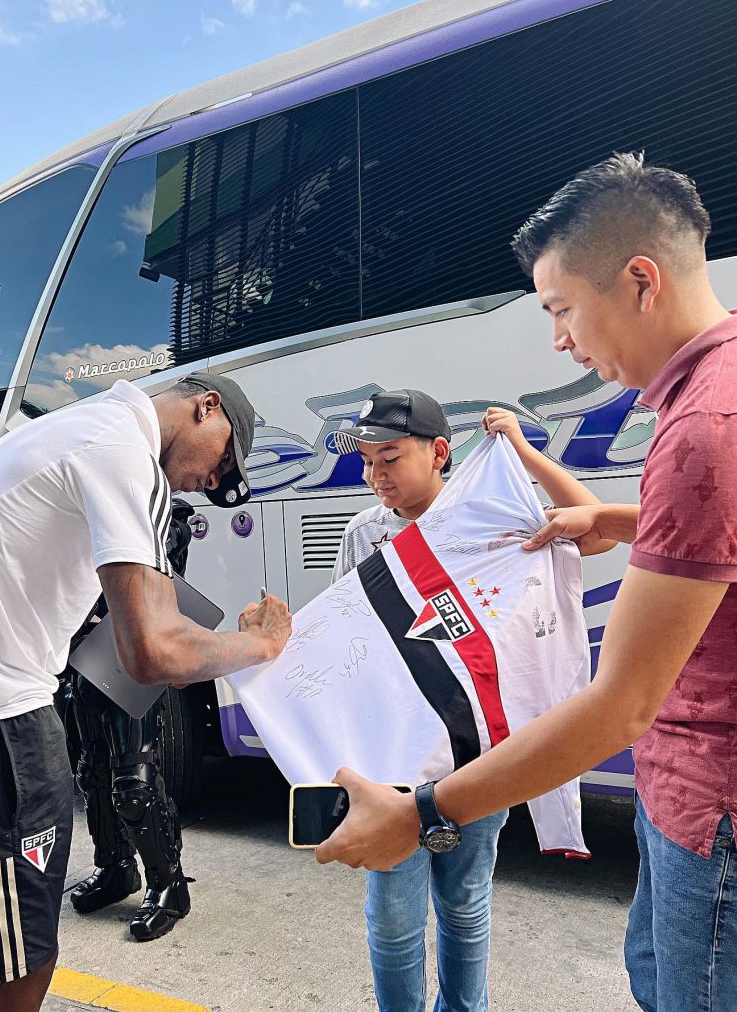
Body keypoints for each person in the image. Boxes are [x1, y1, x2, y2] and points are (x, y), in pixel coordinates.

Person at [316, 153, 737, 1011]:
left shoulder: (703, 426)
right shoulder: (716, 395)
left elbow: (620, 703)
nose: (559, 341)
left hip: (710, 809)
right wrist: (614, 519)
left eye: (560, 309)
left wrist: (423, 811)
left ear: (639, 280)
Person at [0, 373, 291, 1012]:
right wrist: (261, 645)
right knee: (23, 958)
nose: (209, 482)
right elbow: (153, 653)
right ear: (207, 408)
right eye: (223, 460)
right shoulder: (123, 448)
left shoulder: (69, 429)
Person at [331, 389, 613, 1012]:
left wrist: (520, 448)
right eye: (367, 462)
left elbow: (594, 525)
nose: (375, 476)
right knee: (394, 919)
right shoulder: (364, 533)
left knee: (465, 907)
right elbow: (347, 636)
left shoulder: (490, 519)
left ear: (438, 453)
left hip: (477, 751)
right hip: (393, 758)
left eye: (390, 459)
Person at [66, 502, 197, 942]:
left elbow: (159, 585)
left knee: (134, 783)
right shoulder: (75, 513)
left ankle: (168, 886)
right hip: (82, 661)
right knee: (91, 772)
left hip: (128, 655)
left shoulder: (156, 514)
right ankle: (115, 868)